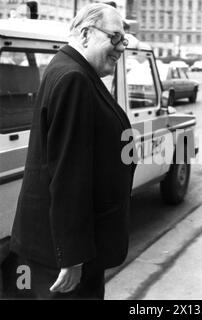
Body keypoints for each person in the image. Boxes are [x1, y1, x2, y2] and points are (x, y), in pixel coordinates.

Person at [3, 3, 135, 300]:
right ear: (86, 34)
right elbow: (68, 174)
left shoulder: (66, 68)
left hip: (59, 248)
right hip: (65, 256)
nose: (121, 48)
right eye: (115, 38)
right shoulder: (74, 79)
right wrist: (72, 256)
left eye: (123, 40)